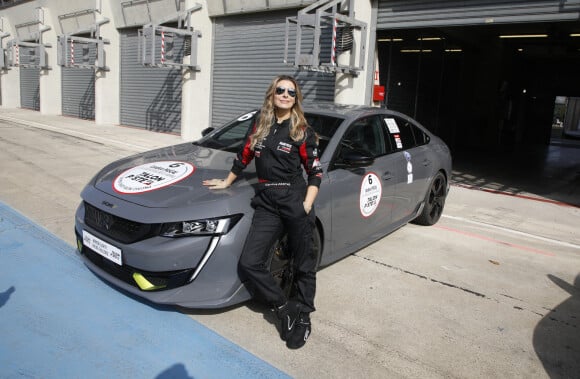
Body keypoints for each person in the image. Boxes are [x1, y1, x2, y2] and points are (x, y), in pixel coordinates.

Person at [203, 75, 322, 349]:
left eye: (291, 92)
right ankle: (283, 307)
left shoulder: (301, 129)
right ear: (272, 94)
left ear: (296, 98)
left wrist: (305, 205)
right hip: (267, 200)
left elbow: (315, 172)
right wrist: (227, 181)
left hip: (294, 198)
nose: (285, 95)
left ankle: (302, 313)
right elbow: (243, 155)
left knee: (304, 263)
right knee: (250, 262)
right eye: (280, 90)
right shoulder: (260, 124)